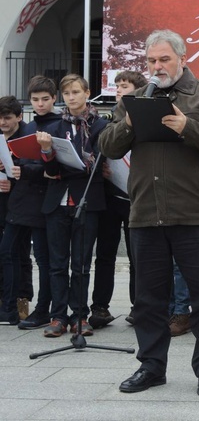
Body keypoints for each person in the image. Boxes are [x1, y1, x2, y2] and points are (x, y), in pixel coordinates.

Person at [99, 29, 199, 397]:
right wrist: (128, 122)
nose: (157, 67)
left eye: (164, 59)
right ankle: (151, 366)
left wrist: (187, 126)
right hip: (146, 212)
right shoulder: (136, 99)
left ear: (181, 57)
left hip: (196, 214)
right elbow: (108, 147)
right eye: (151, 61)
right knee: (148, 298)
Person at [37, 75, 109, 338]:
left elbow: (100, 163)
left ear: (87, 93)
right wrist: (46, 151)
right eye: (66, 93)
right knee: (58, 263)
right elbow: (52, 169)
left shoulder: (101, 126)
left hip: (87, 198)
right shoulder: (56, 127)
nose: (71, 97)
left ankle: (80, 316)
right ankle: (58, 316)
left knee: (81, 264)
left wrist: (74, 163)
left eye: (76, 91)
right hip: (58, 202)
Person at [89, 70, 146, 329]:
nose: (120, 90)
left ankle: (139, 306)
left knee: (138, 256)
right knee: (105, 254)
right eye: (118, 86)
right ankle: (100, 307)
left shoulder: (144, 118)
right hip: (111, 196)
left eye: (125, 86)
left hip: (136, 198)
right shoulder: (109, 119)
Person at [13, 77, 62, 329]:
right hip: (32, 201)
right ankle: (44, 307)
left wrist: (34, 169)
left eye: (45, 99)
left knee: (53, 260)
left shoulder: (60, 125)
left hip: (54, 199)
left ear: (54, 98)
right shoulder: (28, 127)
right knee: (41, 257)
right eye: (35, 100)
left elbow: (53, 166)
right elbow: (24, 163)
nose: (40, 104)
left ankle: (50, 308)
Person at [0, 96, 33, 325]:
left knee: (15, 251)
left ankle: (18, 301)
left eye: (7, 118)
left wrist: (13, 178)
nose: (2, 122)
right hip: (3, 203)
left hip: (22, 204)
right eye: (0, 118)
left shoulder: (26, 138)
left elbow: (33, 171)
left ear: (19, 117)